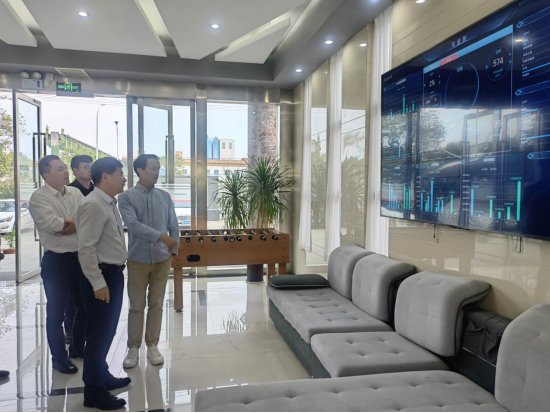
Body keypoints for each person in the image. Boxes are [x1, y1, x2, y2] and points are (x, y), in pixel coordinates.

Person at [76, 157, 131, 410]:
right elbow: (86, 248)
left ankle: (102, 376)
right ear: (105, 177)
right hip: (101, 276)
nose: (124, 178)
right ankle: (94, 392)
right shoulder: (94, 204)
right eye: (119, 173)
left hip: (112, 274)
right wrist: (98, 283)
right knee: (98, 335)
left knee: (105, 332)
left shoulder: (108, 202)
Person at [119, 155, 179, 369]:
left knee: (157, 304)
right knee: (136, 306)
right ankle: (133, 348)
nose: (156, 172)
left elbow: (173, 224)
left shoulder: (164, 196)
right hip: (138, 259)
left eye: (158, 168)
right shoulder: (126, 197)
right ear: (139, 170)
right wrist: (162, 237)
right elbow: (133, 225)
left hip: (162, 259)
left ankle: (152, 345)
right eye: (153, 168)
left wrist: (174, 248)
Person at [29, 155, 85, 375]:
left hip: (79, 258)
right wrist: (73, 223)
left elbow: (87, 218)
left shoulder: (75, 193)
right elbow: (53, 225)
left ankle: (78, 348)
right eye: (60, 169)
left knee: (83, 306)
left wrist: (71, 224)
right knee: (56, 312)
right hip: (56, 260)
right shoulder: (39, 197)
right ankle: (59, 358)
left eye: (65, 168)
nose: (65, 172)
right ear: (46, 175)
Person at [64, 155, 95, 348]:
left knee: (90, 292)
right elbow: (68, 222)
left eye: (91, 166)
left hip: (94, 248)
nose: (89, 170)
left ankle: (88, 330)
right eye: (85, 167)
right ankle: (70, 331)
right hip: (73, 249)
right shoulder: (70, 191)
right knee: (73, 294)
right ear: (75, 170)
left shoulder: (97, 189)